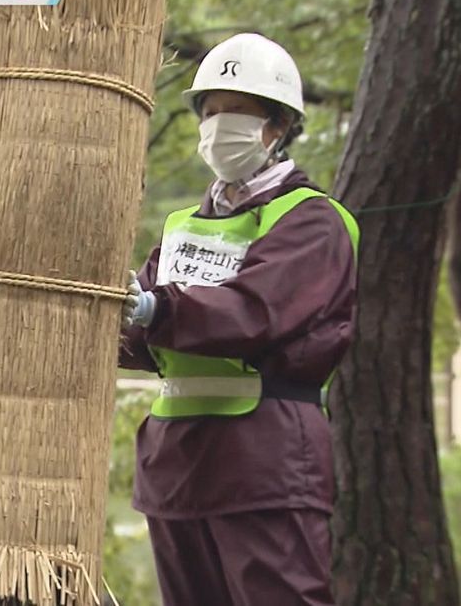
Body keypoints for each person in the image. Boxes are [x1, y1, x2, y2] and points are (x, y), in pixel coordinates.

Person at [119, 33, 359, 606]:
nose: (218, 125)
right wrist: (109, 312)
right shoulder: (180, 227)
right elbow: (141, 337)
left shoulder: (312, 222)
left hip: (265, 460)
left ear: (277, 127)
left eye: (239, 112)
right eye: (212, 111)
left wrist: (155, 307)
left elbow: (255, 311)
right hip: (176, 462)